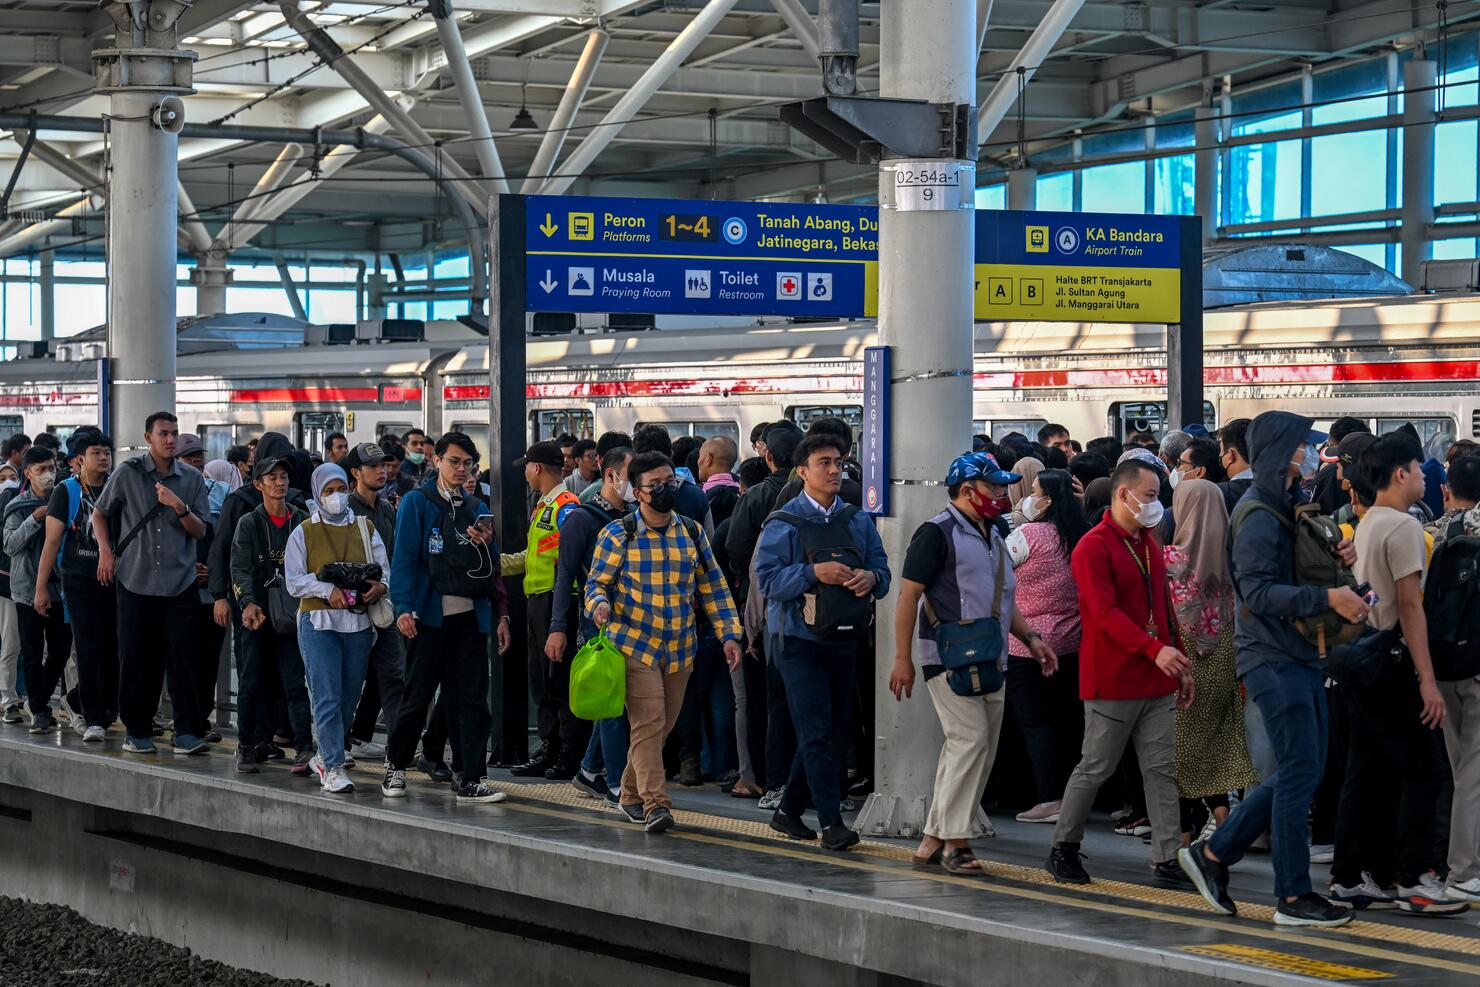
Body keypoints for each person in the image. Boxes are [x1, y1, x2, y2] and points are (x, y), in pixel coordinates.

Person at [1180, 411, 1366, 929]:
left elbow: (1295, 569)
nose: (1306, 452)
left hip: (1299, 654)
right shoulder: (1261, 513)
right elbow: (1258, 593)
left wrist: (1338, 559)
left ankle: (1215, 855)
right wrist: (1328, 594)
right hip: (1271, 656)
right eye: (1298, 444)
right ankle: (1291, 896)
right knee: (1300, 772)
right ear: (1279, 450)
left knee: (1299, 770)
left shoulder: (1286, 506)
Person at [891, 453, 1058, 873]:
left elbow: (1004, 597)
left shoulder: (995, 532)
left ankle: (933, 838)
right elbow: (908, 596)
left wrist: (1031, 638)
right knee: (971, 740)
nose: (1003, 494)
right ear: (968, 490)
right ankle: (955, 842)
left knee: (976, 749)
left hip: (992, 655)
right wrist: (902, 658)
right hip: (946, 657)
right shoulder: (935, 533)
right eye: (995, 486)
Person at [1325, 432, 1463, 913]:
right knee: (1423, 769)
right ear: (1400, 474)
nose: (1426, 478)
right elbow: (1409, 605)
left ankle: (1350, 876)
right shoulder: (1403, 527)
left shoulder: (1366, 524)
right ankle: (1416, 879)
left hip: (1361, 660)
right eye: (1419, 470)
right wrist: (1428, 680)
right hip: (1391, 662)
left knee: (1365, 770)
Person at [1046, 458, 1194, 887]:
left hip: (1155, 677)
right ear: (1123, 494)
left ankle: (1167, 858)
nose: (1155, 504)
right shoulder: (1093, 546)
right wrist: (1158, 651)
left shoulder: (1149, 540)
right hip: (1113, 678)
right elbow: (1104, 613)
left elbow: (1163, 609)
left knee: (1162, 770)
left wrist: (1178, 662)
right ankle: (1063, 848)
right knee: (1095, 767)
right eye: (1149, 496)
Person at [585, 451, 743, 833]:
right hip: (633, 644)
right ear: (636, 492)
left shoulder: (691, 531)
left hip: (679, 647)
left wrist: (729, 635)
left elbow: (713, 587)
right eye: (655, 485)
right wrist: (600, 605)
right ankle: (657, 804)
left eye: (670, 482)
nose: (665, 490)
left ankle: (629, 793)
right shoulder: (618, 533)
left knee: (659, 728)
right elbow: (596, 584)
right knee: (649, 721)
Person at [754, 434, 890, 851]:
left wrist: (871, 579)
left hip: (844, 638)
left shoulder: (856, 519)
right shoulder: (783, 522)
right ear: (802, 471)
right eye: (824, 463)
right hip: (796, 641)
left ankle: (788, 811)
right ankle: (831, 823)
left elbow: (882, 571)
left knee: (831, 729)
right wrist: (815, 574)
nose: (834, 470)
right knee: (816, 731)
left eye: (839, 462)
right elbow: (767, 581)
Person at [381, 432, 511, 804]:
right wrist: (402, 608)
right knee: (417, 695)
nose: (462, 469)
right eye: (455, 461)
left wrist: (501, 613)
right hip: (427, 618)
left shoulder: (474, 507)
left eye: (468, 463)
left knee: (471, 699)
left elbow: (494, 568)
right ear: (437, 460)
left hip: (470, 619)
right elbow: (404, 559)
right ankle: (396, 764)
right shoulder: (417, 503)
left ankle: (470, 776)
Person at [92, 413, 213, 754]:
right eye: (163, 433)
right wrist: (105, 551)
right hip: (135, 580)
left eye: (174, 433)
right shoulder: (127, 474)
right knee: (136, 659)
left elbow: (201, 530)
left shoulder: (190, 478)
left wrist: (179, 507)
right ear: (148, 437)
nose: (170, 439)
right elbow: (100, 513)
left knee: (184, 660)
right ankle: (137, 730)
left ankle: (188, 732)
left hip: (180, 582)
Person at [1164, 478, 1259, 843]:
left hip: (1181, 669)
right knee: (1216, 749)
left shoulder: (1169, 560)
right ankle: (1224, 824)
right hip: (1222, 664)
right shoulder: (1233, 562)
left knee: (1178, 757)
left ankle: (1184, 837)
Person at [284, 463, 389, 794]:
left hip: (357, 622)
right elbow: (294, 581)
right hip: (318, 622)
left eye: (340, 489)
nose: (336, 497)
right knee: (326, 695)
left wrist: (379, 588)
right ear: (317, 493)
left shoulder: (364, 527)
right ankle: (332, 765)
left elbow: (385, 569)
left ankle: (324, 752)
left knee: (348, 696)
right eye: (328, 491)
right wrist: (325, 588)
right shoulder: (303, 531)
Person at [1003, 468, 1088, 824]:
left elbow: (997, 571)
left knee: (1034, 721)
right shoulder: (1081, 535)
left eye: (1034, 491)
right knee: (1068, 719)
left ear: (1047, 499)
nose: (1028, 497)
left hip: (1027, 645)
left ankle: (1048, 796)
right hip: (1073, 641)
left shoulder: (1027, 534)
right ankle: (1072, 794)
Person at [549, 447, 633, 805]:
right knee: (613, 699)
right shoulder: (582, 518)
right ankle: (615, 782)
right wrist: (557, 627)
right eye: (633, 474)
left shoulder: (634, 516)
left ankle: (588, 770)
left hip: (632, 619)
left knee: (613, 698)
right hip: (598, 618)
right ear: (611, 475)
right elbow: (565, 573)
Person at [228, 457, 315, 774]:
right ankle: (246, 744)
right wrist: (248, 603)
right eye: (272, 477)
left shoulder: (303, 521)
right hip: (258, 614)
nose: (280, 482)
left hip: (292, 615)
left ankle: (304, 748)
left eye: (284, 477)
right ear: (258, 484)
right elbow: (238, 568)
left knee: (295, 683)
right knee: (250, 680)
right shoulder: (250, 523)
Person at [505, 440, 586, 778]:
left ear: (536, 468)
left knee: (561, 678)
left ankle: (568, 753)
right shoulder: (545, 505)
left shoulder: (566, 506)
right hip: (539, 599)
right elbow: (533, 555)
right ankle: (550, 747)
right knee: (543, 679)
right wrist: (498, 564)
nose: (524, 472)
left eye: (526, 466)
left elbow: (570, 561)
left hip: (558, 602)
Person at [33, 432, 114, 741]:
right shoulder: (66, 491)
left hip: (114, 580)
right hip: (78, 581)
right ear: (80, 459)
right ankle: (93, 718)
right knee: (89, 649)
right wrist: (41, 589)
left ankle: (80, 700)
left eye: (107, 452)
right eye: (96, 452)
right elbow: (51, 543)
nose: (104, 457)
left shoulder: (114, 486)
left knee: (113, 650)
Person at [1431, 455, 1480, 904]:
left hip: (1442, 665)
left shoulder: (1434, 533)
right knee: (1473, 773)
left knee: (1458, 765)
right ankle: (1464, 869)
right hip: (1477, 668)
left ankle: (1456, 863)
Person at [343, 443, 405, 762]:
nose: (382, 471)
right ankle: (340, 742)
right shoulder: (344, 511)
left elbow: (392, 556)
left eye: (384, 465)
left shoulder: (387, 509)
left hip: (384, 606)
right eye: (373, 466)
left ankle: (399, 746)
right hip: (350, 610)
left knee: (393, 674)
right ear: (356, 473)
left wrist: (388, 587)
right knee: (350, 680)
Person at [4, 446, 70, 735]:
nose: (48, 474)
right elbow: (10, 545)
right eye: (41, 469)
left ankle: (37, 700)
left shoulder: (65, 498)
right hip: (26, 589)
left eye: (51, 468)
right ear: (27, 472)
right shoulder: (16, 506)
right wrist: (36, 519)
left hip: (60, 590)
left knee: (60, 650)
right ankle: (41, 712)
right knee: (31, 652)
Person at [698, 436, 741, 527]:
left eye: (700, 456)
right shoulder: (743, 492)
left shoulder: (698, 494)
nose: (698, 461)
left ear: (708, 458)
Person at [1216, 419, 1254, 515]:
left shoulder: (1218, 493)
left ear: (1230, 455)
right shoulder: (1279, 489)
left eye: (1221, 450)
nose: (1220, 455)